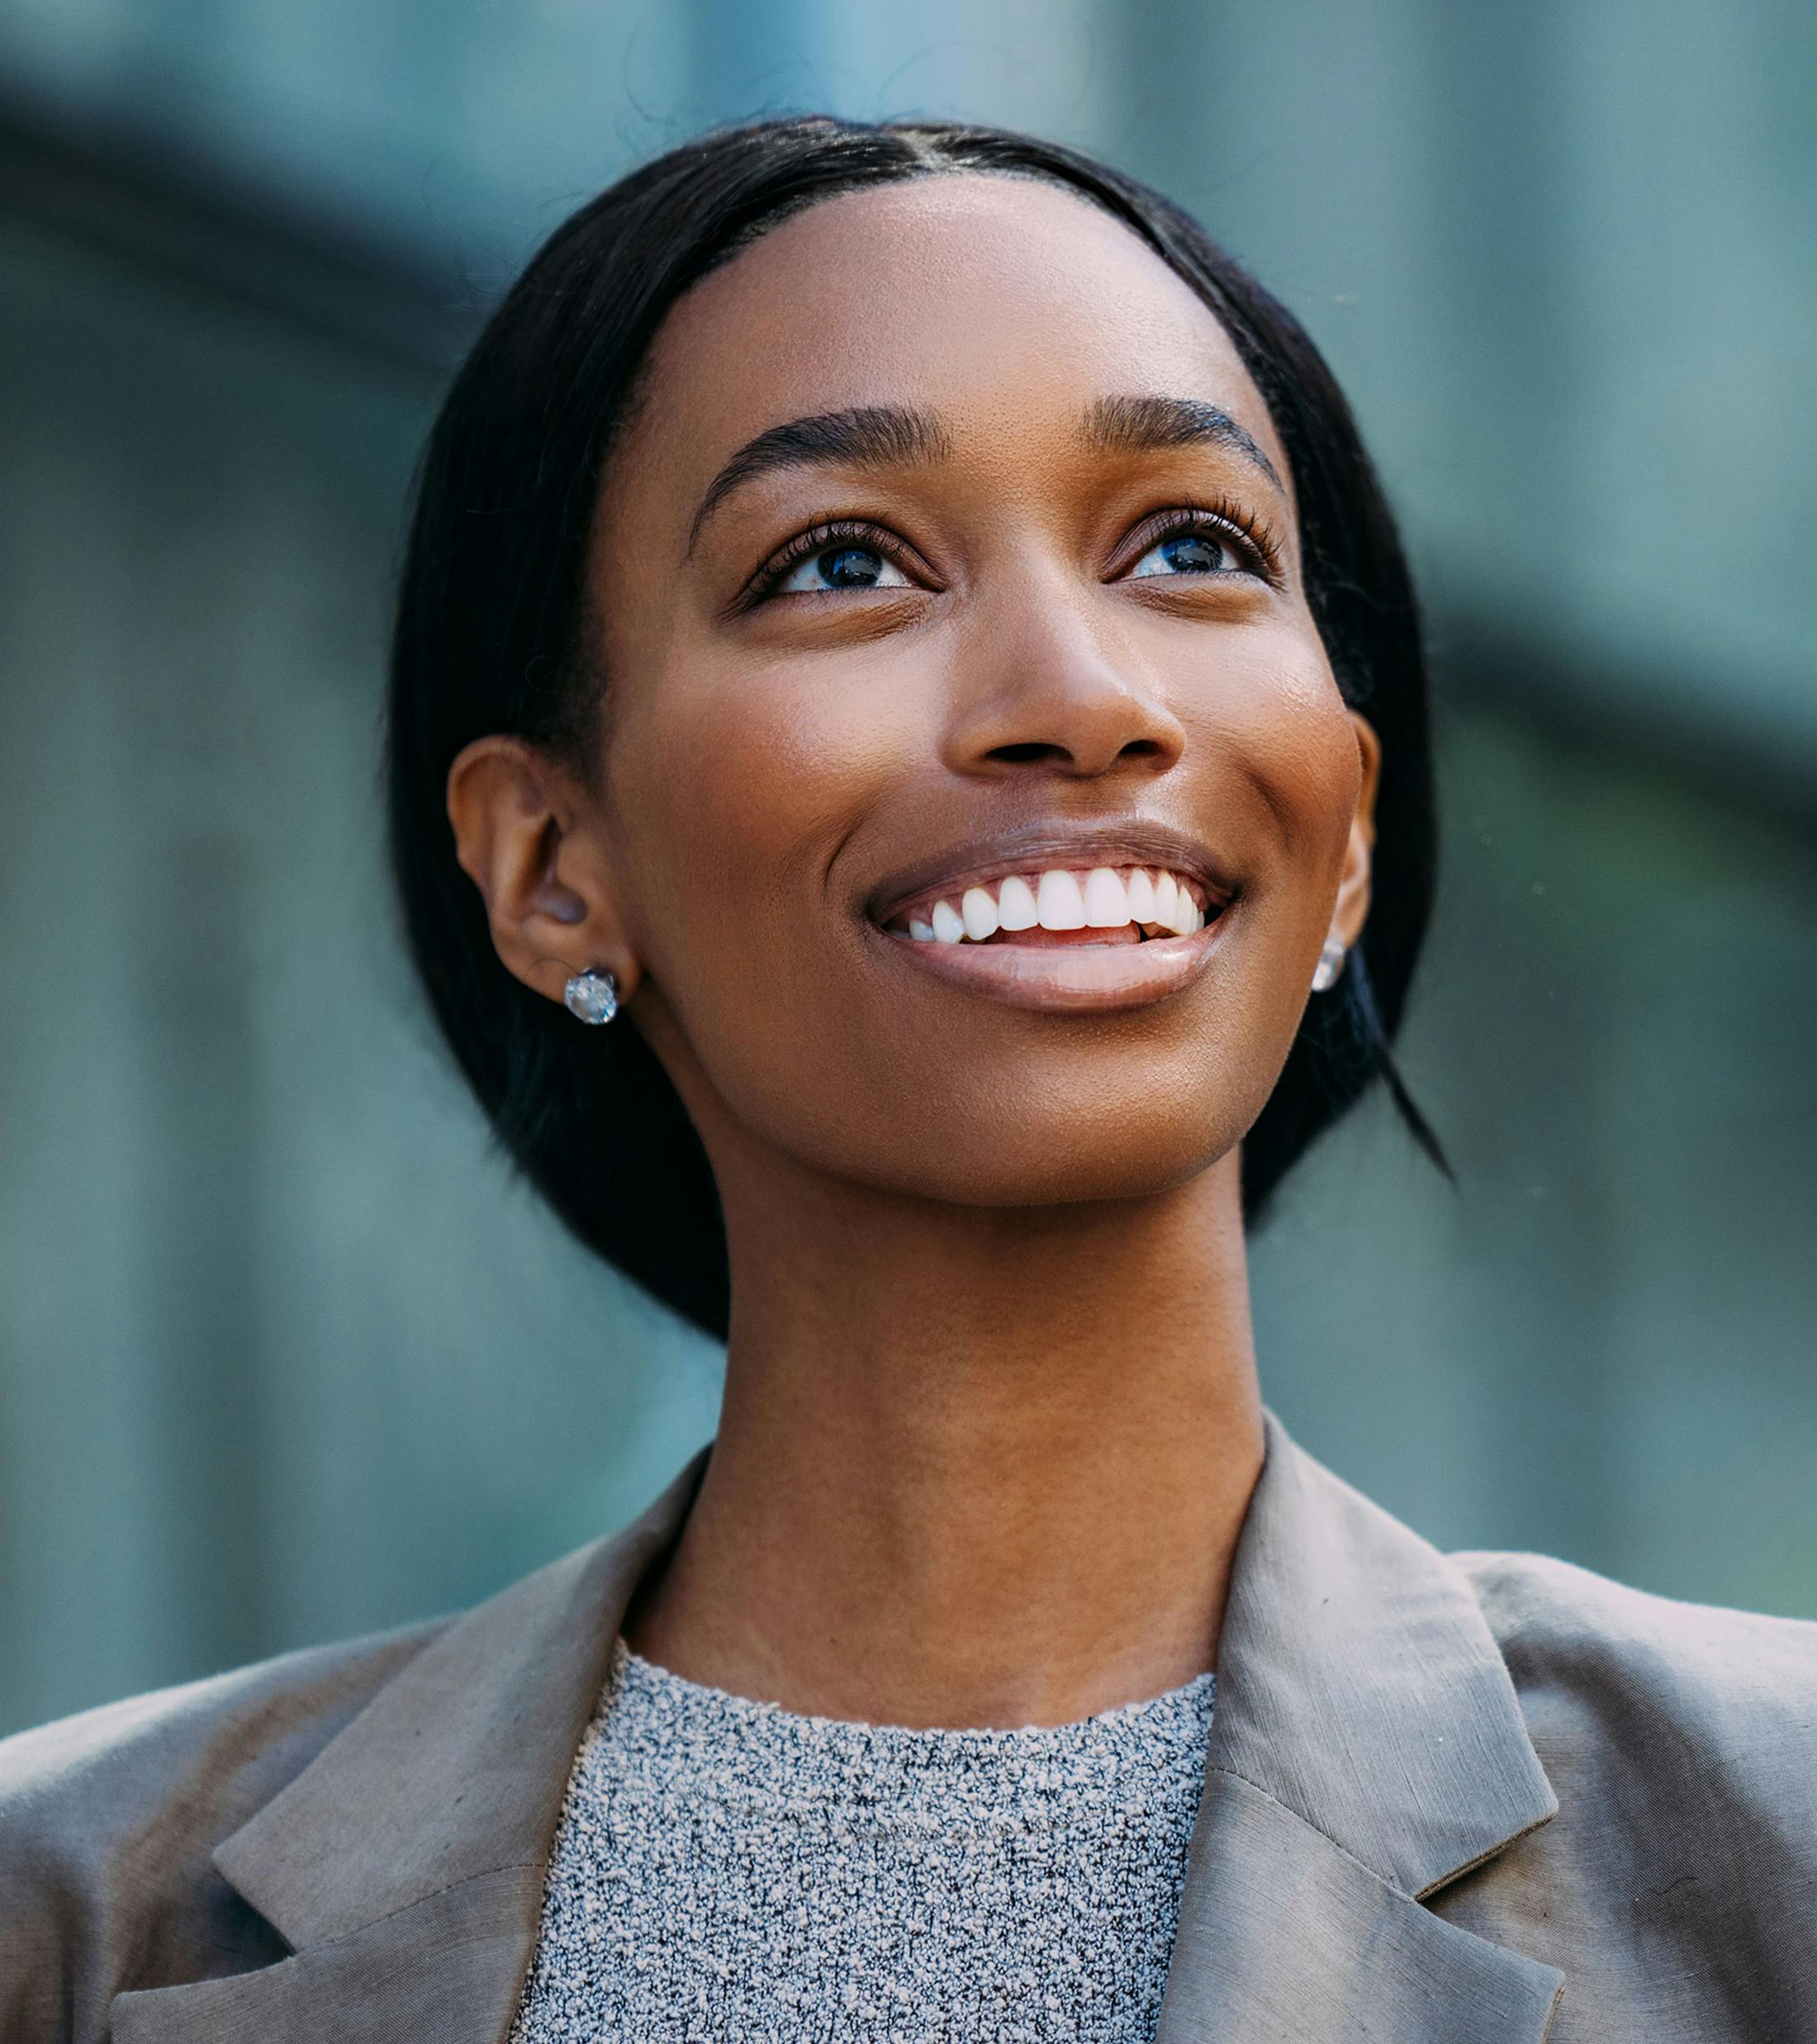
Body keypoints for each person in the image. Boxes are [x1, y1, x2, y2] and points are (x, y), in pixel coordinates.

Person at [2, 115, 1813, 2044]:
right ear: (550, 863)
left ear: (1345, 831)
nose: (1077, 691)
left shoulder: (1765, 1838)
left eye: (1188, 544)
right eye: (839, 562)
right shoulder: (74, 1924)